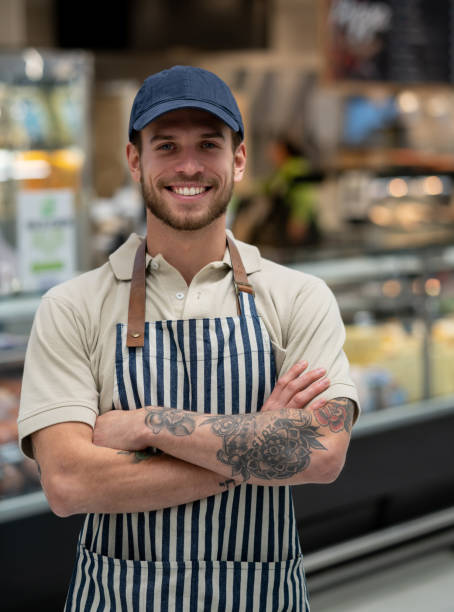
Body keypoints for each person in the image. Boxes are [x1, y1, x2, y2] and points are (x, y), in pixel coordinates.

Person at [18, 65, 359, 611]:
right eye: (167, 146)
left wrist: (143, 424)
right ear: (136, 160)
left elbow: (320, 454)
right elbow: (68, 483)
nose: (189, 166)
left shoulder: (300, 297)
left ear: (239, 160)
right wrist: (257, 447)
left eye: (208, 144)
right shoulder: (70, 308)